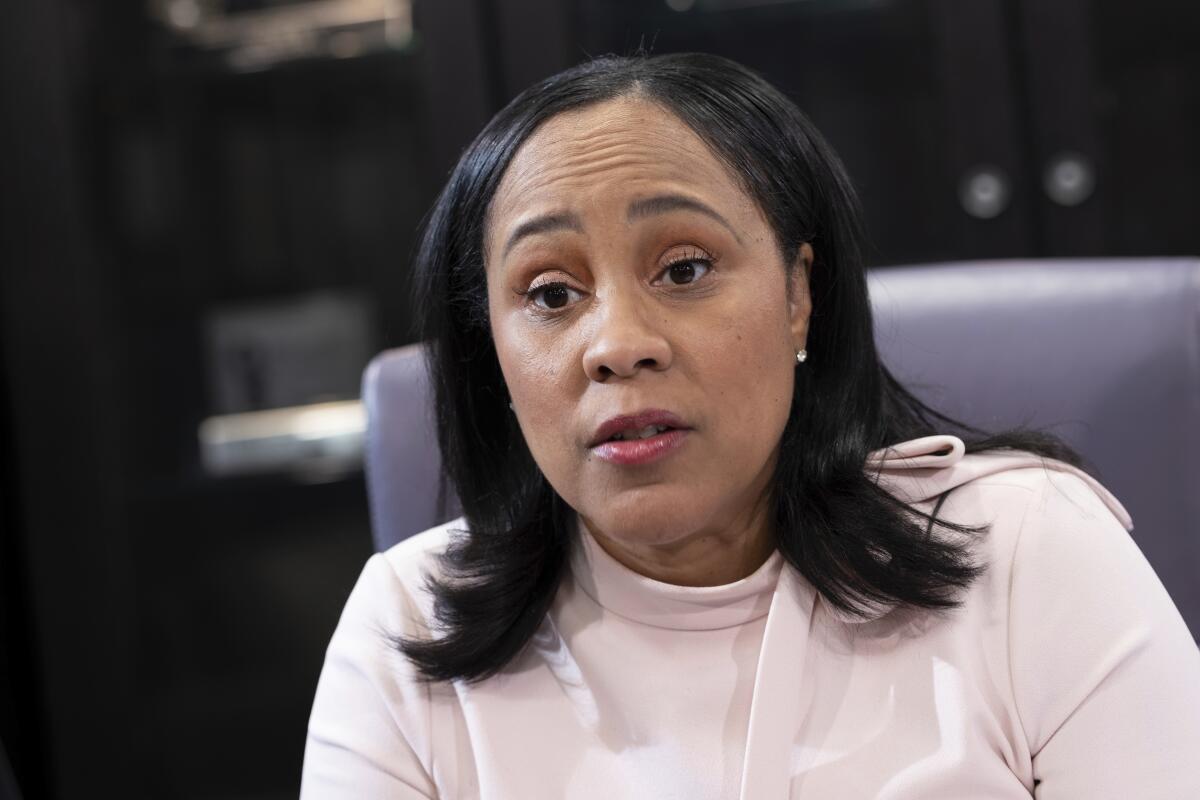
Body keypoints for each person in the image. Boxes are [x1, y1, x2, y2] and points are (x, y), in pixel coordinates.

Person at [300, 53, 1200, 798]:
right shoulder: (404, 628)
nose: (615, 345)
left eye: (684, 269)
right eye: (550, 294)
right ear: (489, 348)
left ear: (799, 296)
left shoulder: (1025, 551)